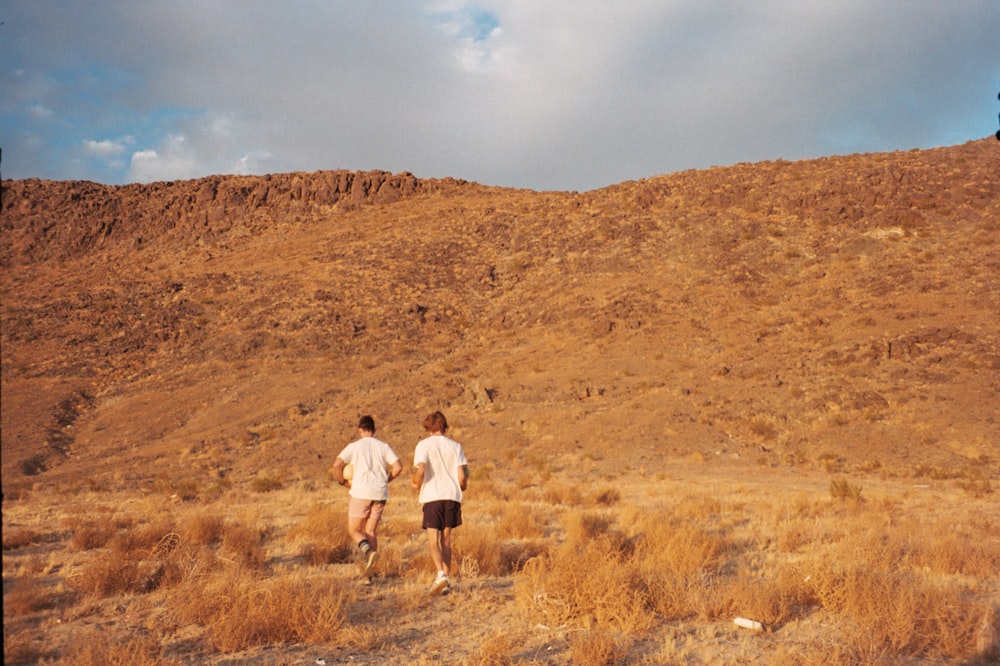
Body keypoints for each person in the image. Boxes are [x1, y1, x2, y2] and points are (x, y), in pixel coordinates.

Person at [333, 415, 403, 584]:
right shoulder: (383, 446)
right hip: (380, 493)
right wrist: (386, 480)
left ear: (360, 430)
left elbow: (337, 465)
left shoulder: (354, 446)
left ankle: (368, 552)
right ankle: (370, 575)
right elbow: (398, 467)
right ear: (374, 430)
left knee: (354, 530)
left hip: (361, 492)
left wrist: (342, 482)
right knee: (371, 531)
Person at [411, 410, 468, 596]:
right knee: (447, 540)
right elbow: (462, 476)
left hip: (432, 495)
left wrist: (416, 485)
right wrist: (463, 487)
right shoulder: (456, 446)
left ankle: (440, 574)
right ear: (444, 425)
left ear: (429, 426)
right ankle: (447, 581)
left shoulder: (423, 445)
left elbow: (421, 470)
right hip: (451, 495)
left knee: (433, 540)